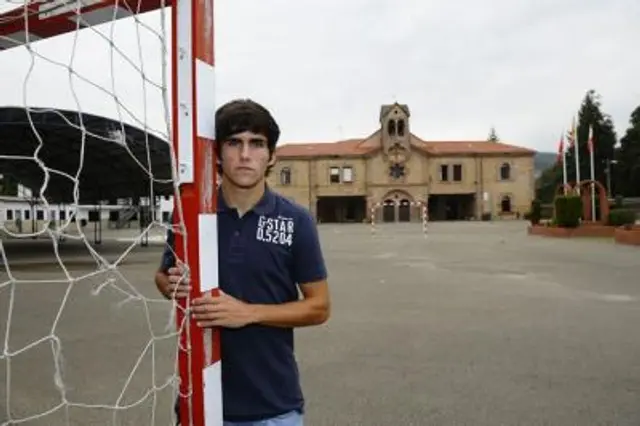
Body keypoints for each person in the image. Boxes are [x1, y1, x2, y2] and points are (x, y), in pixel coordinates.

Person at [154, 99, 331, 426]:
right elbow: (163, 277)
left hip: (273, 408)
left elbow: (319, 307)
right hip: (200, 400)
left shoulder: (295, 220)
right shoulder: (189, 215)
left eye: (257, 143)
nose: (245, 154)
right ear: (218, 153)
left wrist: (248, 313)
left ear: (272, 156)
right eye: (234, 143)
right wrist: (173, 285)